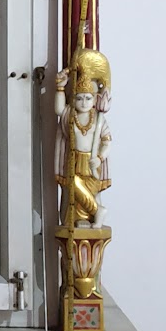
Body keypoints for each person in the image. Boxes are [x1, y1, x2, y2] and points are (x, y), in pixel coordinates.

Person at [55, 61, 111, 227]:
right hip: (74, 159)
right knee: (72, 188)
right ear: (73, 99)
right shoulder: (70, 115)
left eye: (88, 98)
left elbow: (107, 142)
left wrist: (100, 158)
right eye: (79, 98)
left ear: (94, 100)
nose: (84, 102)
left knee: (88, 189)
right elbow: (59, 109)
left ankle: (91, 215)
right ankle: (93, 212)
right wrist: (60, 87)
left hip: (91, 161)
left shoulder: (99, 120)